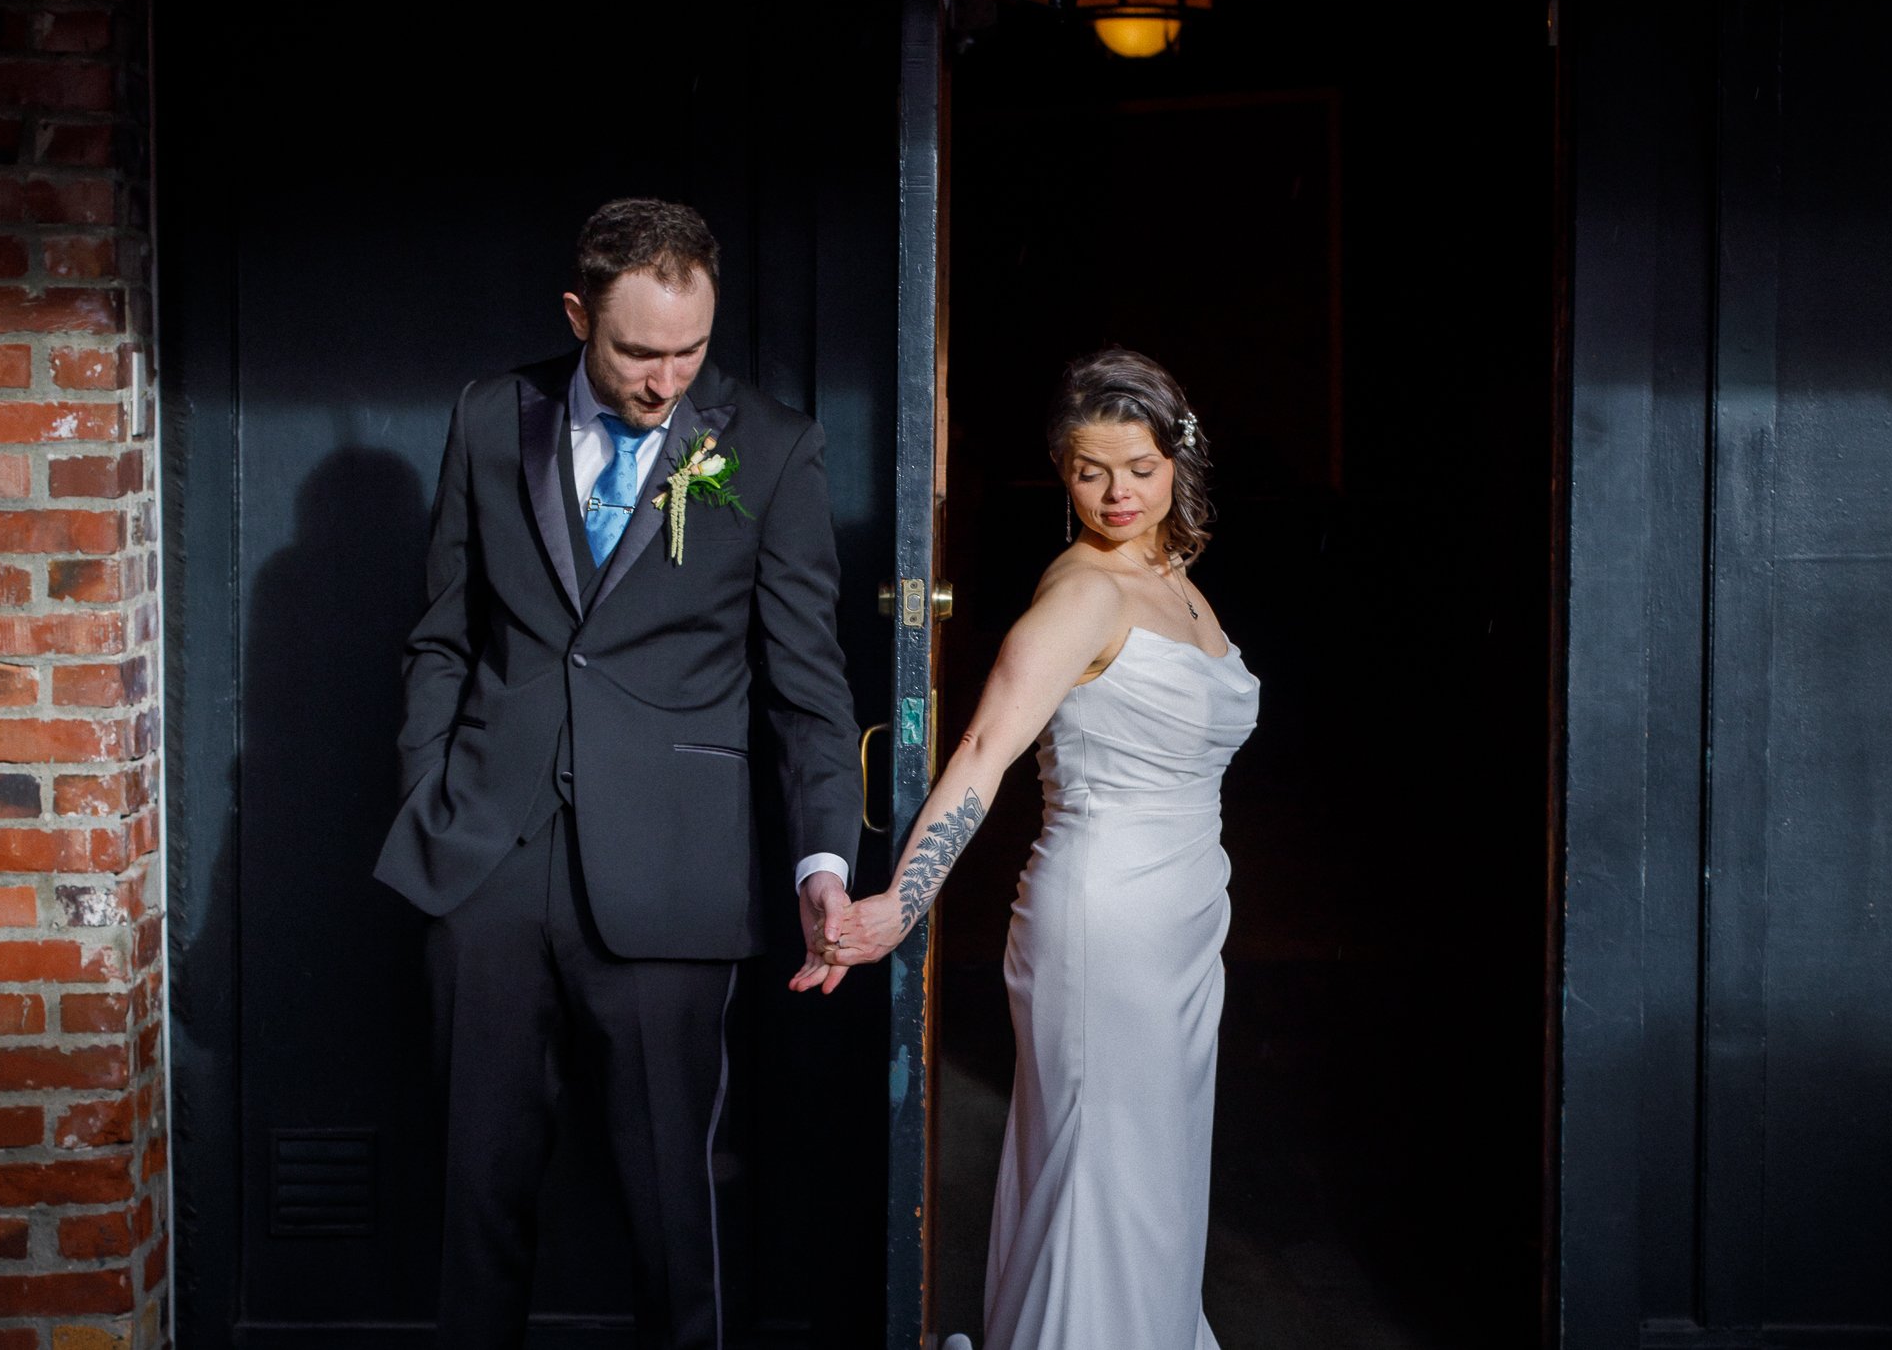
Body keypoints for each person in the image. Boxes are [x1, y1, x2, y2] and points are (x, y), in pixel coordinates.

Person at [374, 198, 863, 1350]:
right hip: (485, 857)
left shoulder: (771, 444)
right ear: (576, 314)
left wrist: (823, 855)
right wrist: (427, 789)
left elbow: (806, 679)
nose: (664, 380)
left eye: (688, 351)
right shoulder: (492, 416)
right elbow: (442, 633)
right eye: (638, 351)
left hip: (672, 873)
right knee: (477, 1198)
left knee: (670, 1212)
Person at [808, 347, 1258, 1349]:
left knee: (1152, 1186)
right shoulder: (1083, 596)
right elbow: (979, 753)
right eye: (1089, 471)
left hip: (1181, 928)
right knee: (1100, 1182)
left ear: (1177, 459)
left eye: (1137, 468)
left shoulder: (1169, 575)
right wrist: (900, 902)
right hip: (1105, 928)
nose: (1115, 494)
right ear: (1060, 470)